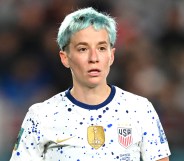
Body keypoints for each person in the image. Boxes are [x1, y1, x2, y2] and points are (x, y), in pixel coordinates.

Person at [9, 7, 171, 161]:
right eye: (82, 49)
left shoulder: (140, 109)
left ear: (111, 56)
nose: (94, 58)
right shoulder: (41, 115)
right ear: (65, 57)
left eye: (101, 48)